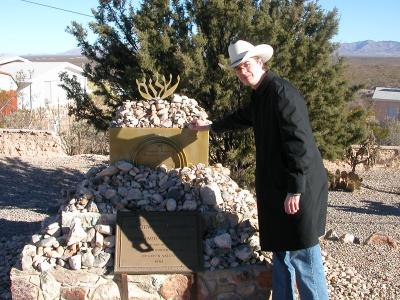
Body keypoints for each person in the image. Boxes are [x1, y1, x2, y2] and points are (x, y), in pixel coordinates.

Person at [190, 40, 329, 300]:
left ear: (259, 62)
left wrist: (295, 189)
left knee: (304, 256)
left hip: (299, 186)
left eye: (247, 65)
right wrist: (209, 126)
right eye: (238, 68)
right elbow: (241, 117)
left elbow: (299, 144)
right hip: (278, 187)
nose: (244, 72)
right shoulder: (261, 95)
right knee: (282, 253)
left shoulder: (282, 93)